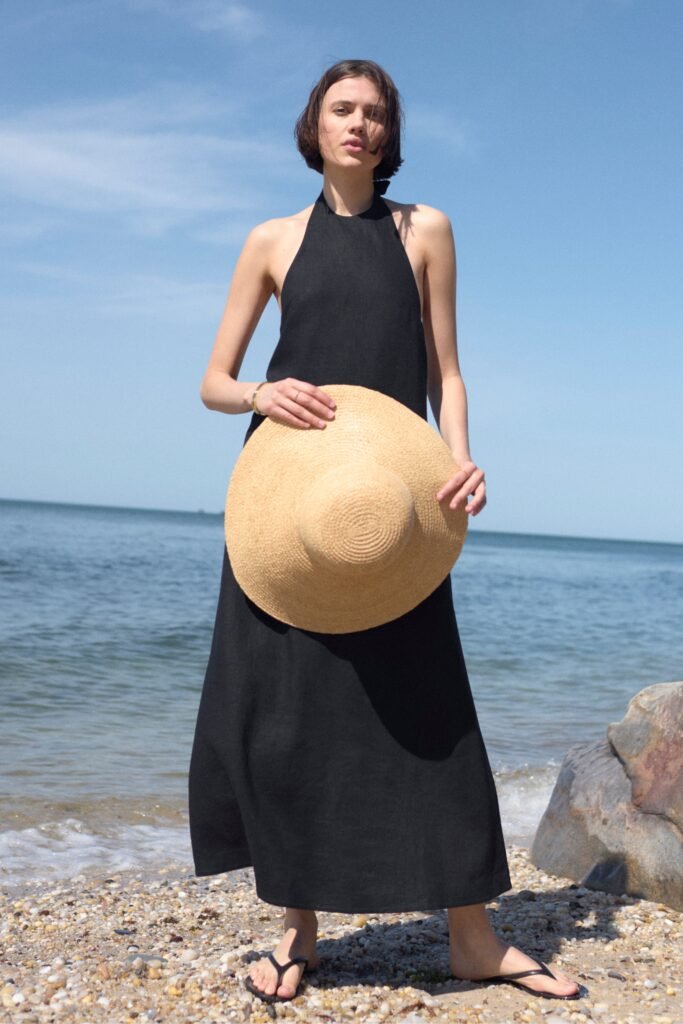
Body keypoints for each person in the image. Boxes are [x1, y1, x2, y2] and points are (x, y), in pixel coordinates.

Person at [189, 59, 581, 1005]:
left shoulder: (425, 231)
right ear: (314, 125)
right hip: (288, 507)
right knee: (282, 724)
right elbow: (212, 380)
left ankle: (473, 937)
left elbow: (446, 370)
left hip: (391, 504)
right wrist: (259, 390)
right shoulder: (271, 240)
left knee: (431, 715)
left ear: (389, 131)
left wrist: (461, 459)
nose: (358, 126)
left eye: (374, 113)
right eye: (341, 110)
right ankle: (296, 933)